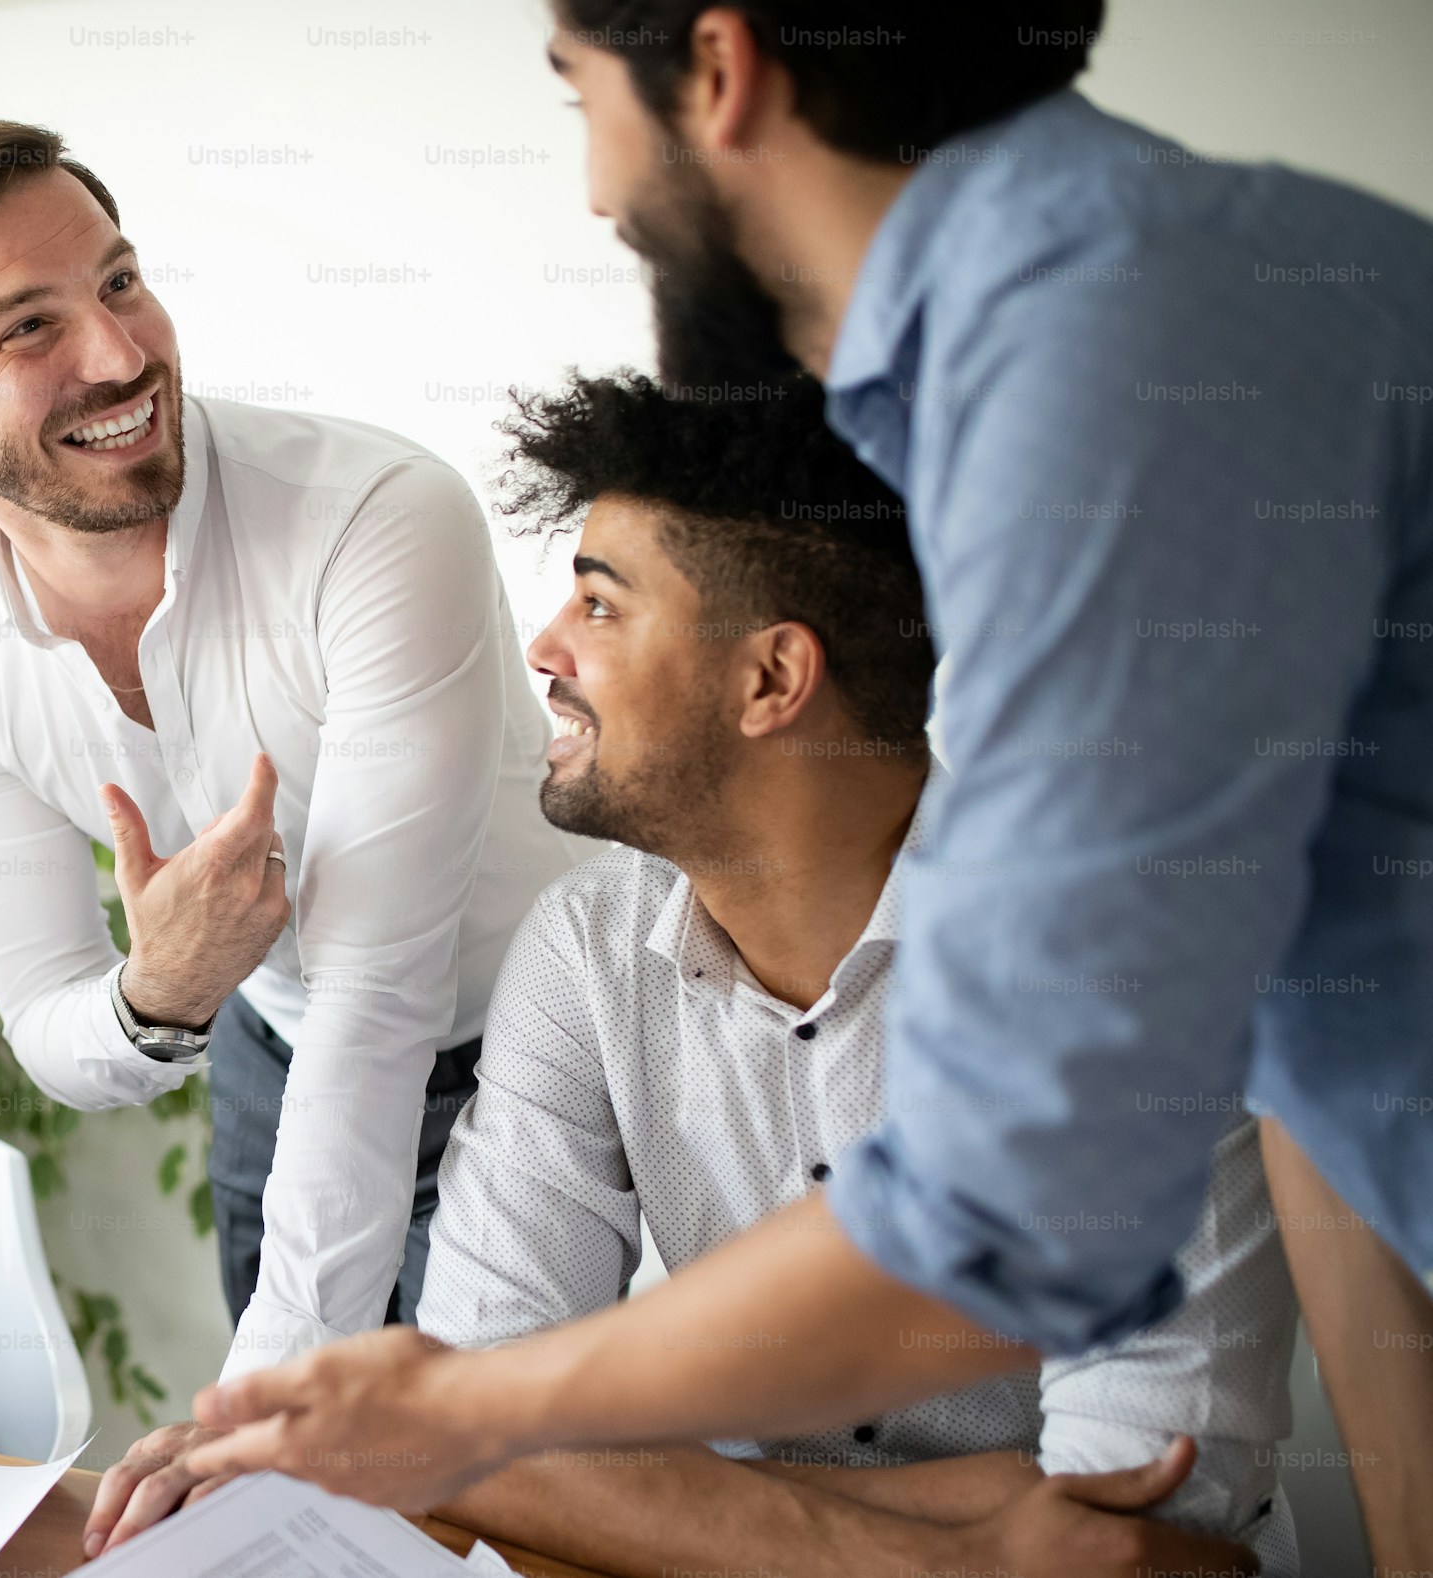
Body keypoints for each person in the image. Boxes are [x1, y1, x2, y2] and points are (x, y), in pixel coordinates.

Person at [187, 7, 1433, 1569]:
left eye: (581, 97)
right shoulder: (1076, 337)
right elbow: (1334, 1062)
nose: (590, 191)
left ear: (718, 72)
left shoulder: (1110, 366)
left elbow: (1001, 1223)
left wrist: (466, 1411)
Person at [425, 372, 1293, 1576]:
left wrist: (641, 1499)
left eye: (602, 606)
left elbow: (1142, 1526)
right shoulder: (584, 950)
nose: (546, 647)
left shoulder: (1120, 966)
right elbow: (476, 1439)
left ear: (773, 680)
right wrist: (958, 1531)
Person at [0, 119, 582, 1458]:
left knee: (489, 1487)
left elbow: (379, 992)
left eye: (118, 282)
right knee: (310, 1517)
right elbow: (49, 1024)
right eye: (28, 327)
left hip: (542, 1056)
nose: (119, 354)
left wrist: (246, 1412)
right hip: (276, 1053)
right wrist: (155, 994)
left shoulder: (378, 519)